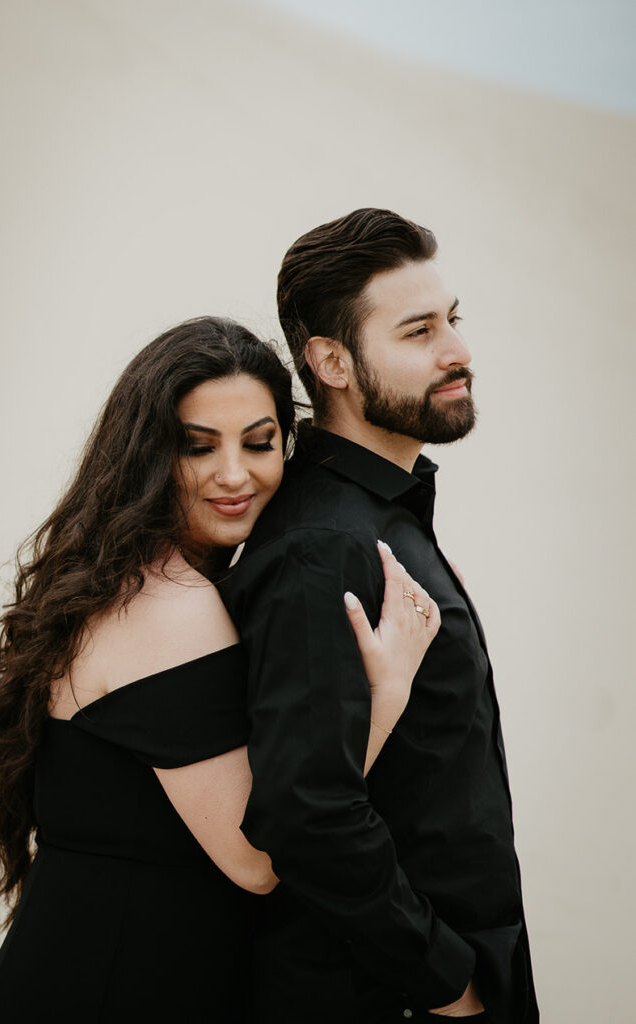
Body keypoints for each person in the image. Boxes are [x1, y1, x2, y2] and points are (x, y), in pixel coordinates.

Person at [0, 316, 440, 1023]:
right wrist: (387, 690)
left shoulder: (144, 582)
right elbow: (258, 861)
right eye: (197, 447)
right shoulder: (165, 604)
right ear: (148, 457)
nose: (232, 474)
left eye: (258, 443)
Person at [219, 210, 540, 1023]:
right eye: (418, 330)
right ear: (330, 361)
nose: (457, 349)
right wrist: (448, 985)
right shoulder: (324, 546)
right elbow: (306, 810)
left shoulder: (375, 523)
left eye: (453, 320)